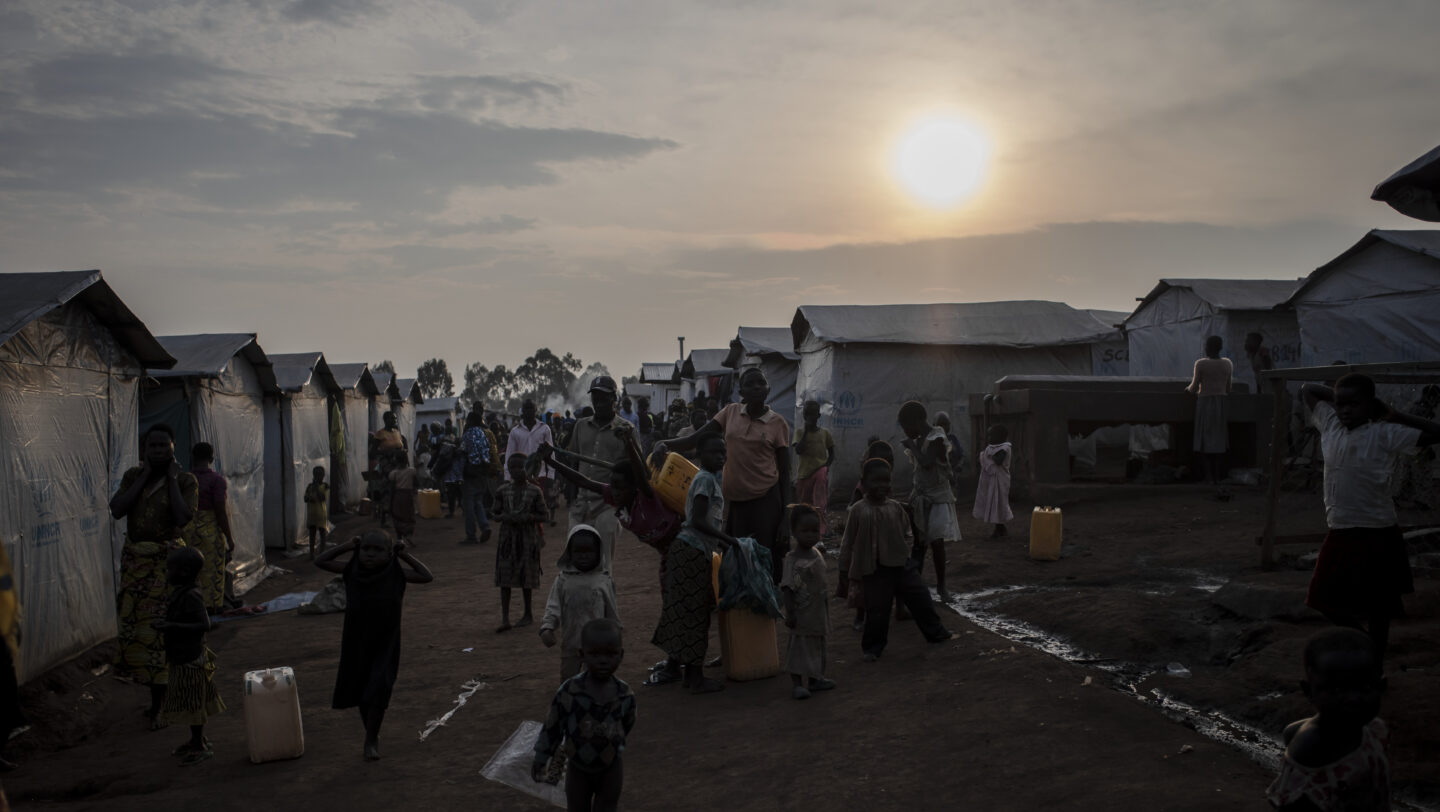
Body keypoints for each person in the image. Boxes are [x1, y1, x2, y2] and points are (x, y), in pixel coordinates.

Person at [1300, 375, 1440, 659]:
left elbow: (1437, 433)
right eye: (1341, 404)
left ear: (1371, 405)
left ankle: (1373, 664)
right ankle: (1368, 647)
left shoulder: (1385, 432)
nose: (1346, 410)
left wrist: (1394, 413)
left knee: (1380, 608)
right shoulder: (1330, 424)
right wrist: (1340, 396)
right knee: (1322, 599)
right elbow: (1308, 389)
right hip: (1341, 530)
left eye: (1354, 404)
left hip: (1379, 531)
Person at [537, 440, 685, 685]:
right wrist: (551, 462)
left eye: (620, 487)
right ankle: (675, 661)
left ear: (634, 486)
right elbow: (583, 482)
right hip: (668, 554)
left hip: (684, 549)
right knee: (672, 605)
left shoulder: (646, 497)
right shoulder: (621, 500)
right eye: (612, 487)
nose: (614, 492)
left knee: (678, 606)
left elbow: (639, 472)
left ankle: (683, 667)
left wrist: (627, 441)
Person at [654, 368, 791, 583]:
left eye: (761, 383)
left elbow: (785, 472)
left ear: (768, 389)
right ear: (741, 391)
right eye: (750, 383)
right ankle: (737, 613)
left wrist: (785, 518)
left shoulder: (778, 423)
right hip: (736, 503)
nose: (756, 387)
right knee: (735, 559)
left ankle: (763, 613)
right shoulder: (730, 412)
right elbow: (696, 439)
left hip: (766, 501)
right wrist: (664, 444)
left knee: (764, 560)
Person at [316, 529, 433, 761]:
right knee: (360, 689)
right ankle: (371, 733)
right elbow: (321, 561)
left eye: (378, 550)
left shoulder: (396, 572)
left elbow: (426, 575)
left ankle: (371, 739)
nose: (370, 554)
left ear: (390, 554)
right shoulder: (352, 569)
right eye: (366, 549)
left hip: (385, 641)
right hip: (355, 640)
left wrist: (404, 555)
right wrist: (348, 545)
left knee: (379, 686)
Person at [110, 423, 198, 728]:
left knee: (161, 633)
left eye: (164, 445)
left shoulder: (186, 481)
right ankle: (153, 697)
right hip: (136, 565)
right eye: (152, 446)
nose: (158, 450)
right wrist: (146, 475)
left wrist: (171, 480)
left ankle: (158, 705)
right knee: (135, 630)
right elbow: (118, 509)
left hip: (167, 567)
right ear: (144, 450)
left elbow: (183, 517)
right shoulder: (134, 477)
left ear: (174, 447)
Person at [837, 458, 954, 662]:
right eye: (876, 481)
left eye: (886, 480)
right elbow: (847, 543)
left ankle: (936, 633)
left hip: (901, 565)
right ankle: (872, 648)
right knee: (877, 611)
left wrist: (914, 551)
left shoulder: (896, 508)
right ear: (863, 483)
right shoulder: (858, 510)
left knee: (921, 598)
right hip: (874, 570)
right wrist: (844, 570)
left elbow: (908, 534)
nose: (882, 485)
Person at [1267, 627, 1389, 811]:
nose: (1353, 699)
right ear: (1308, 691)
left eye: (1364, 687)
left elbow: (1290, 731)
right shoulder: (1311, 748)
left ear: (1382, 687)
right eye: (1337, 689)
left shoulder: (1374, 729)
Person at [652, 433, 736, 694]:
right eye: (713, 452)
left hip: (692, 550)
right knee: (696, 613)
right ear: (700, 455)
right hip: (691, 551)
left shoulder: (712, 479)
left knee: (688, 611)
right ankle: (694, 677)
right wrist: (728, 540)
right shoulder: (704, 480)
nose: (720, 457)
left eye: (723, 452)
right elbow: (699, 521)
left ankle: (684, 671)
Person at [533, 618, 636, 812]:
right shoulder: (569, 691)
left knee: (607, 807)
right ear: (581, 655)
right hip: (578, 769)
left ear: (621, 655)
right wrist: (541, 756)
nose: (603, 660)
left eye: (611, 654)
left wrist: (612, 742)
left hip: (611, 767)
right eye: (594, 654)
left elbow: (627, 722)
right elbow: (553, 725)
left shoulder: (624, 694)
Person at [154, 547, 224, 766]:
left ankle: (198, 745)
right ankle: (197, 739)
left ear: (183, 571)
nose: (167, 574)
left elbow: (204, 625)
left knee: (193, 703)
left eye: (170, 570)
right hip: (183, 655)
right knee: (191, 701)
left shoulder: (191, 595)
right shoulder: (183, 590)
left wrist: (171, 626)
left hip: (190, 657)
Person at [566, 376, 635, 573]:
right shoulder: (580, 426)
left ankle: (605, 603)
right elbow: (574, 462)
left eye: (604, 398)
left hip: (608, 506)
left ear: (615, 399)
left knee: (603, 567)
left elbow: (635, 470)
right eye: (595, 397)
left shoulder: (627, 430)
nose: (599, 402)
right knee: (573, 566)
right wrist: (572, 498)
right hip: (580, 506)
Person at [540, 528, 620, 683]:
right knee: (568, 679)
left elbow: (611, 611)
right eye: (578, 552)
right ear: (569, 553)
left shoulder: (604, 581)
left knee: (597, 680)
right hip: (571, 641)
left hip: (598, 645)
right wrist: (547, 627)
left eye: (589, 552)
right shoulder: (562, 580)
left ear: (599, 553)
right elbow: (553, 606)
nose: (584, 556)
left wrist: (616, 633)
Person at [898, 401, 959, 601]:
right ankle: (916, 587)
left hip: (938, 497)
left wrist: (912, 447)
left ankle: (942, 587)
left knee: (937, 543)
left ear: (916, 421)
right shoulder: (919, 438)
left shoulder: (936, 436)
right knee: (919, 543)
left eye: (907, 428)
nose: (906, 433)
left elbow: (927, 463)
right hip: (921, 496)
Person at [782, 505, 834, 700]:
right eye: (805, 531)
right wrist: (790, 612)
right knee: (799, 648)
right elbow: (787, 587)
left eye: (815, 530)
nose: (811, 535)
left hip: (817, 612)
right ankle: (797, 684)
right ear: (794, 532)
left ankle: (816, 679)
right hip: (801, 614)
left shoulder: (816, 554)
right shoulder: (792, 559)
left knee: (818, 647)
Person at [494, 453, 548, 632]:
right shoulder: (502, 490)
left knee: (527, 577)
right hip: (508, 539)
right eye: (513, 468)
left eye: (520, 467)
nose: (516, 471)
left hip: (528, 537)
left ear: (528, 468)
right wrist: (504, 517)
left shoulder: (534, 491)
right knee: (505, 578)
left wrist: (528, 517)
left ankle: (527, 613)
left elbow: (544, 515)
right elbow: (494, 513)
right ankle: (505, 618)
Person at [188, 443, 235, 613]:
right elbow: (220, 511)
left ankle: (192, 606)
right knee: (211, 571)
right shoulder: (216, 481)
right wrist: (229, 537)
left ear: (193, 457)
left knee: (192, 572)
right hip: (210, 531)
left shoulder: (186, 479)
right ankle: (209, 608)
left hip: (189, 532)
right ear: (211, 458)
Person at [1186, 335, 1233, 495]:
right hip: (1221, 404)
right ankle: (1218, 476)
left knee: (1205, 439)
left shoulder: (1201, 364)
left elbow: (1193, 387)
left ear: (1208, 347)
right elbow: (1228, 388)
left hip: (1205, 403)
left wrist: (1187, 390)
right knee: (1218, 439)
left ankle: (1209, 476)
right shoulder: (1227, 364)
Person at [507, 400, 557, 524]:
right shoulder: (515, 431)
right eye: (526, 409)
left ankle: (536, 534)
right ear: (522, 412)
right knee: (524, 508)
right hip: (521, 477)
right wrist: (507, 477)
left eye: (531, 408)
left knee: (538, 508)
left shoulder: (545, 429)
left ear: (536, 411)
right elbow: (509, 455)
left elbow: (551, 453)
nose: (529, 411)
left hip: (540, 475)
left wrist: (551, 475)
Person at [792, 400, 836, 538]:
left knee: (819, 501)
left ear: (818, 415)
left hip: (820, 470)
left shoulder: (825, 433)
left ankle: (821, 530)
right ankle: (805, 528)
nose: (810, 417)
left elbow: (832, 451)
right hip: (804, 473)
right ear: (804, 416)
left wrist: (826, 466)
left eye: (813, 414)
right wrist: (806, 432)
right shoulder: (799, 433)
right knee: (805, 504)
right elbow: (799, 450)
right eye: (807, 414)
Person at [460, 410, 494, 544]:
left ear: (470, 421)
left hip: (471, 472)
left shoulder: (467, 435)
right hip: (483, 472)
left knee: (468, 505)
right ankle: (485, 526)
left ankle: (471, 535)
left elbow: (463, 453)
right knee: (478, 501)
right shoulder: (483, 434)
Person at [974, 425, 1014, 537]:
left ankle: (1000, 528)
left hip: (1001, 481)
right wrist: (986, 455)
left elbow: (998, 461)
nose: (988, 437)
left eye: (991, 435)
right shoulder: (991, 448)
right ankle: (999, 528)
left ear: (999, 436)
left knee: (1000, 503)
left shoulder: (1005, 447)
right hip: (991, 481)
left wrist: (985, 456)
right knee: (993, 503)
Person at [387, 450, 418, 547]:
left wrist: (390, 502)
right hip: (408, 496)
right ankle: (409, 534)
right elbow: (416, 484)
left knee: (397, 516)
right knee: (409, 515)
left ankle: (400, 538)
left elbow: (392, 488)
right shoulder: (412, 471)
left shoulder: (393, 473)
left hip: (398, 496)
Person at [430, 431, 463, 518]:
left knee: (451, 495)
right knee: (460, 494)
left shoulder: (448, 451)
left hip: (450, 477)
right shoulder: (459, 452)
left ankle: (452, 512)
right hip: (459, 476)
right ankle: (463, 511)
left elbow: (439, 460)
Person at [934, 412, 966, 496]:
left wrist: (959, 465)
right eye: (941, 424)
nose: (944, 427)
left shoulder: (953, 438)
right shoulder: (932, 441)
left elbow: (961, 455)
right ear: (934, 425)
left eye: (946, 424)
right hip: (939, 479)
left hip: (953, 477)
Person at [304, 466, 330, 559]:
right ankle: (312, 553)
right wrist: (311, 492)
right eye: (316, 475)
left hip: (321, 514)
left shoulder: (325, 486)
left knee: (322, 533)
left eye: (319, 475)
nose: (318, 477)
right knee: (312, 534)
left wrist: (316, 489)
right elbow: (305, 499)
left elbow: (323, 498)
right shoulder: (309, 486)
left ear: (322, 476)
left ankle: (322, 552)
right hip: (312, 514)